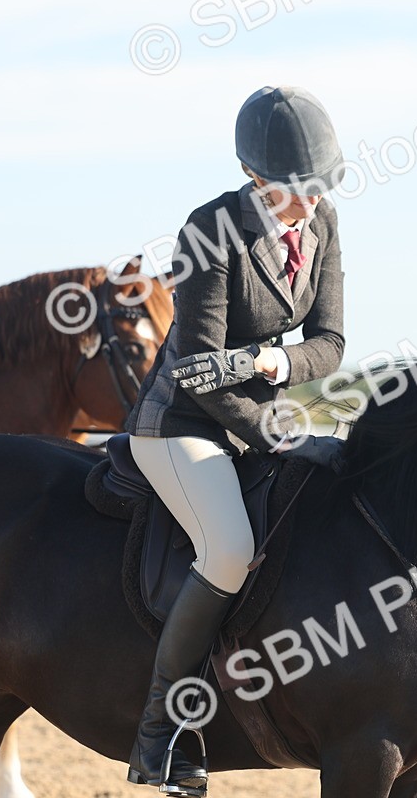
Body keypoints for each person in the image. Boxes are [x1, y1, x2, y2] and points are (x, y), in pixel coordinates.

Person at [122, 85, 347, 792]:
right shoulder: (209, 230)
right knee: (230, 550)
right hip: (182, 422)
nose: (308, 205)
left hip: (262, 410)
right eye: (293, 192)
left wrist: (282, 363)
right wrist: (276, 429)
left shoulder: (323, 223)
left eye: (320, 188)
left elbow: (332, 343)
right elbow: (197, 371)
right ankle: (162, 730)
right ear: (255, 178)